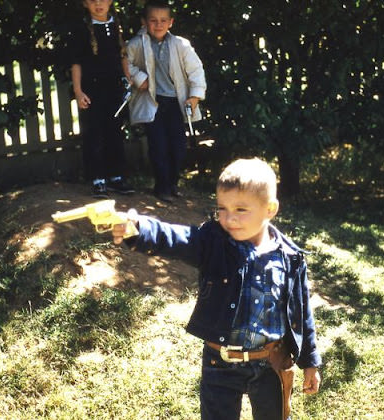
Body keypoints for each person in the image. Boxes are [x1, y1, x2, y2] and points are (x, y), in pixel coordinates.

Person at [111, 158, 321, 420]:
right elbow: (178, 239)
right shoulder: (213, 243)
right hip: (220, 364)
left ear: (270, 209)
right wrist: (140, 229)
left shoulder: (290, 257)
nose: (229, 218)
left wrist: (310, 362)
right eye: (222, 208)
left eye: (241, 209)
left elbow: (302, 311)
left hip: (272, 363)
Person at [126, 0, 206, 203]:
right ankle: (161, 187)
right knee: (158, 145)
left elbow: (196, 71)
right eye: (153, 20)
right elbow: (125, 64)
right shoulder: (136, 44)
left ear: (171, 22)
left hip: (175, 103)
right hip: (153, 102)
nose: (158, 25)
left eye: (163, 20)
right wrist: (138, 78)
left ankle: (172, 183)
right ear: (144, 22)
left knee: (178, 146)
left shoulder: (181, 45)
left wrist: (195, 96)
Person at [69, 0, 135, 198]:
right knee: (94, 133)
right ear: (85, 3)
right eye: (93, 0)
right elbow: (76, 63)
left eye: (103, 0)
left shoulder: (116, 25)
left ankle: (116, 177)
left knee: (114, 131)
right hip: (92, 90)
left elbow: (123, 56)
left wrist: (128, 78)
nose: (98, 4)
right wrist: (79, 91)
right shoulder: (82, 29)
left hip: (113, 89)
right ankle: (98, 179)